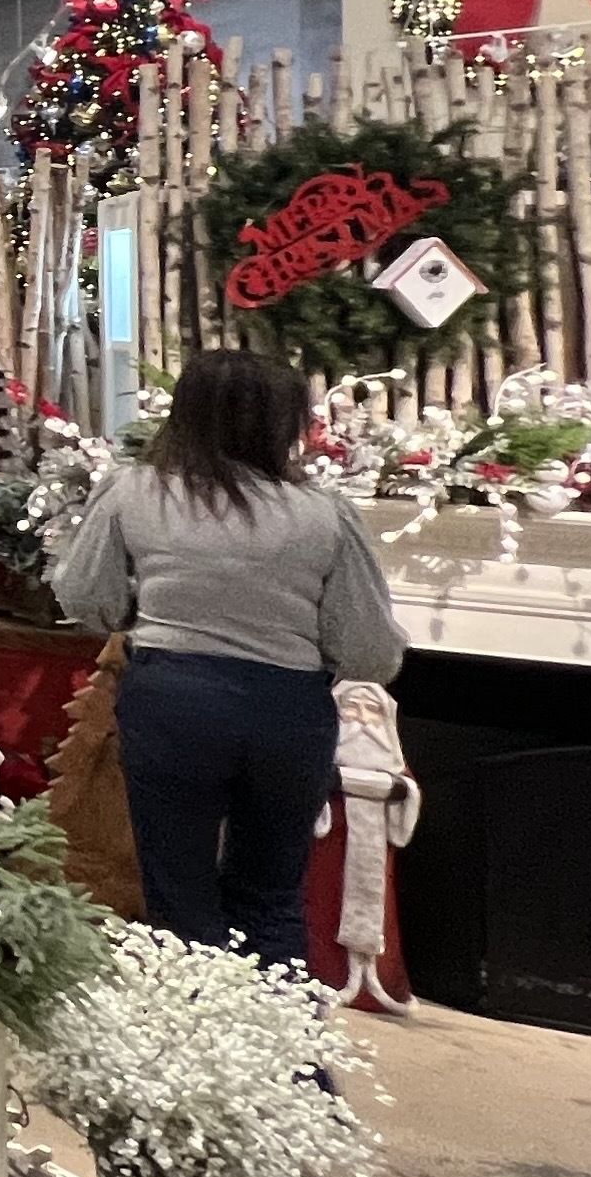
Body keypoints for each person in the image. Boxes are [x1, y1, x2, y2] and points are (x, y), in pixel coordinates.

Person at [56, 345, 403, 974]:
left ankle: (196, 1056)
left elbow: (84, 597)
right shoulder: (324, 515)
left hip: (171, 702)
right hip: (287, 713)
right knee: (271, 899)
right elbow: (371, 651)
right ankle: (290, 1066)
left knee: (179, 900)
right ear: (284, 424)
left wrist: (138, 616)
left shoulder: (133, 492)